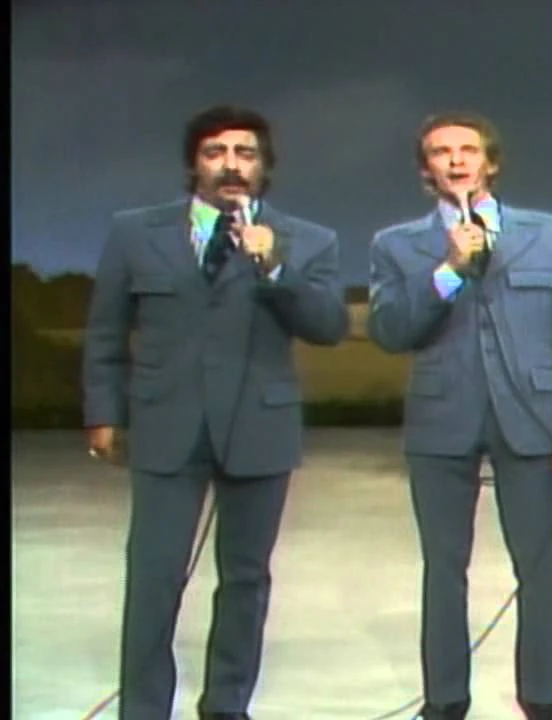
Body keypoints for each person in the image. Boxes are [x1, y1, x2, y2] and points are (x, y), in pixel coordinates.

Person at [81, 104, 349, 720]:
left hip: (259, 428)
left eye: (245, 153)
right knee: (153, 577)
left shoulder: (308, 240)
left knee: (246, 580)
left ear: (264, 167)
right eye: (215, 152)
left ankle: (227, 706)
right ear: (193, 164)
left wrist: (274, 267)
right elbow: (106, 331)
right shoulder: (134, 232)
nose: (231, 165)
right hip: (165, 424)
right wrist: (103, 411)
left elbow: (329, 326)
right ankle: (143, 709)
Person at [366, 111, 552, 720]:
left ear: (490, 163)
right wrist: (447, 271)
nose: (456, 160)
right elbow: (390, 332)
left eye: (468, 150)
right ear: (426, 170)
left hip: (534, 417)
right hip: (441, 420)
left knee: (539, 569)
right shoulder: (396, 244)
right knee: (444, 568)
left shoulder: (551, 236)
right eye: (440, 152)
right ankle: (445, 701)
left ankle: (543, 699)